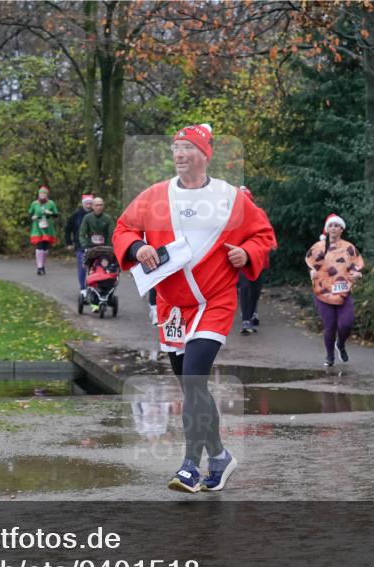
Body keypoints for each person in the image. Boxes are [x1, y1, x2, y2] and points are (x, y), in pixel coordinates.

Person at [113, 123, 276, 493]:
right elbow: (123, 229)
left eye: (187, 147)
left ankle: (189, 465)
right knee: (192, 389)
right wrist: (137, 248)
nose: (179, 154)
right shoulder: (155, 196)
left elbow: (264, 235)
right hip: (173, 307)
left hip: (214, 301)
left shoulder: (231, 197)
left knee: (194, 379)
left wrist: (247, 252)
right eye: (175, 148)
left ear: (205, 154)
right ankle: (219, 456)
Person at [305, 214, 364, 367]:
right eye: (330, 226)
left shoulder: (348, 247)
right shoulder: (319, 247)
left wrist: (357, 273)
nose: (333, 228)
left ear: (341, 229)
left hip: (343, 291)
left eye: (336, 226)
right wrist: (311, 272)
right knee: (329, 326)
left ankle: (341, 344)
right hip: (323, 292)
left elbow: (356, 265)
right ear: (326, 229)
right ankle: (329, 355)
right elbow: (312, 265)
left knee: (346, 323)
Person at [236, 186, 271, 335]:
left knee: (256, 289)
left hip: (259, 258)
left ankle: (253, 311)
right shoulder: (233, 217)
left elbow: (267, 233)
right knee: (244, 287)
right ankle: (246, 320)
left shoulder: (259, 214)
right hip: (242, 259)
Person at [79, 197, 116, 311]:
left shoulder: (108, 219)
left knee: (105, 269)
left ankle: (105, 294)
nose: (99, 207)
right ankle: (92, 297)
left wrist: (112, 248)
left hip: (106, 250)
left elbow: (112, 234)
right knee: (91, 270)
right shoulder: (87, 218)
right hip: (91, 250)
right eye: (97, 205)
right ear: (93, 206)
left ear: (103, 206)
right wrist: (85, 245)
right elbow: (82, 233)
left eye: (101, 205)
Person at [65, 194, 95, 295]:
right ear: (83, 204)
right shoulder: (76, 215)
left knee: (94, 267)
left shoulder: (96, 215)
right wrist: (69, 242)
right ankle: (83, 288)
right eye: (87, 203)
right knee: (82, 267)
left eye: (91, 203)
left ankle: (93, 287)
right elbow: (68, 228)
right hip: (80, 245)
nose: (89, 205)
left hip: (94, 245)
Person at [28, 186, 59, 275]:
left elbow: (56, 214)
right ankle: (39, 267)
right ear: (38, 194)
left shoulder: (51, 203)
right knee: (39, 246)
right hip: (37, 227)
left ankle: (42, 265)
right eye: (41, 193)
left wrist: (51, 213)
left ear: (47, 194)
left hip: (48, 227)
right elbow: (30, 214)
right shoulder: (34, 203)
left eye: (44, 193)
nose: (42, 195)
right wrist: (33, 217)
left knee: (45, 247)